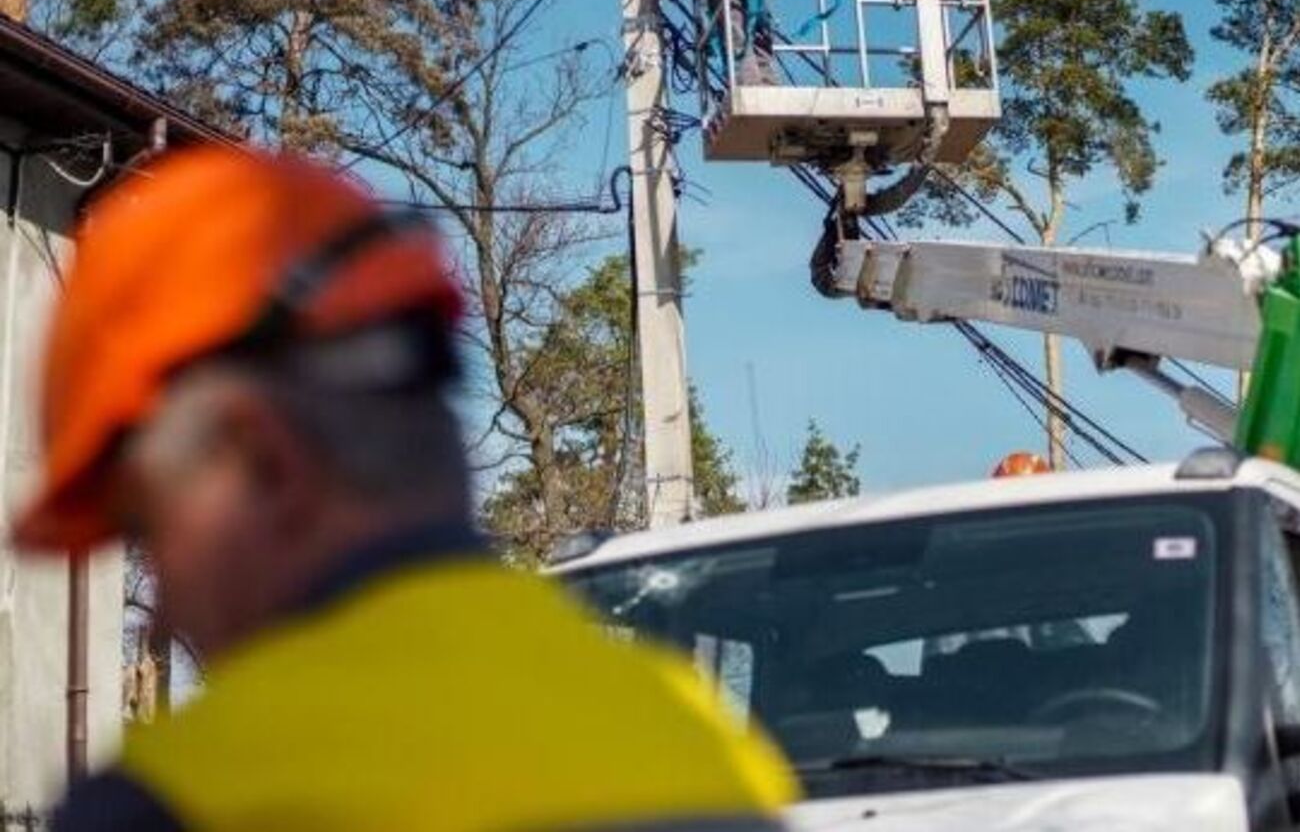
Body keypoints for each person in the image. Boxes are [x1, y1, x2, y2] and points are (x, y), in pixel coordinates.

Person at [12, 145, 797, 831]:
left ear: (263, 460)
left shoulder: (190, 800)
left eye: (147, 529)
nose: (165, 604)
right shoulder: (703, 738)